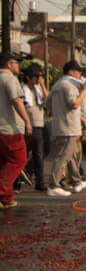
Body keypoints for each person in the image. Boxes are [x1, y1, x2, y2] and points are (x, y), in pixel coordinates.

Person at [45, 60, 86, 197]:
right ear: (71, 72)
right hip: (69, 127)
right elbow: (74, 104)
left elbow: (47, 105)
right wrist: (83, 90)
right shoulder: (69, 86)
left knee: (70, 155)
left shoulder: (57, 85)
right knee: (64, 156)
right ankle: (53, 185)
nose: (79, 74)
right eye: (78, 72)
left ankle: (76, 181)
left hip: (60, 126)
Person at [0, 54, 30, 208]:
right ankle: (2, 191)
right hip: (9, 128)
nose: (18, 66)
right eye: (16, 63)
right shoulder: (9, 79)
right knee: (18, 160)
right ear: (9, 64)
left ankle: (6, 198)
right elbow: (17, 101)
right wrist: (27, 121)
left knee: (4, 162)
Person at [22, 65, 47, 192]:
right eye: (37, 76)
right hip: (26, 127)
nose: (39, 79)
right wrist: (26, 123)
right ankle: (17, 182)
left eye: (40, 76)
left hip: (38, 125)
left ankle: (40, 182)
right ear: (28, 77)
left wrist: (42, 85)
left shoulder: (38, 89)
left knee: (39, 155)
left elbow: (47, 101)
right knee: (21, 156)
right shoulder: (22, 89)